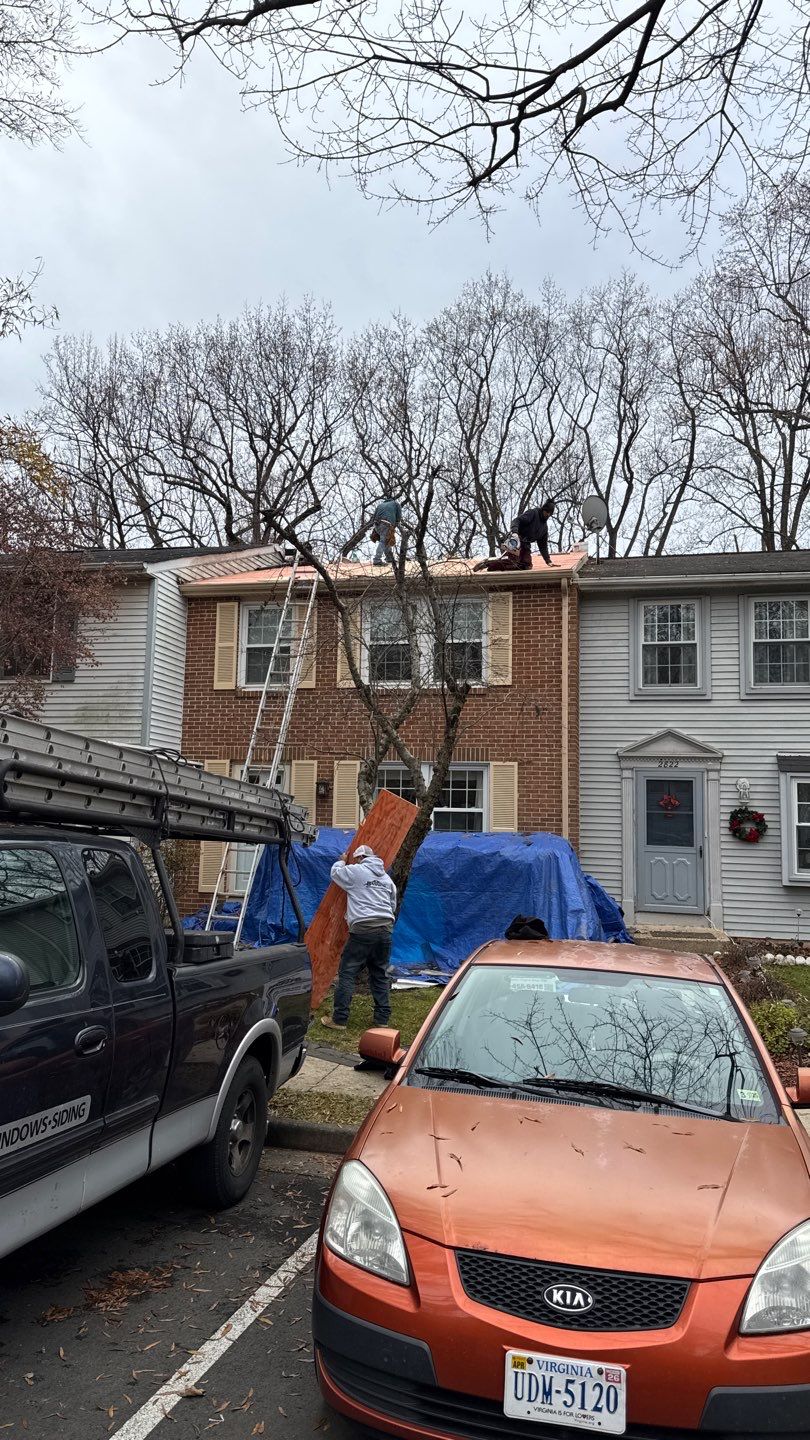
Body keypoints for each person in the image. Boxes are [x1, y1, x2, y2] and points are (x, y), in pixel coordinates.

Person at [321, 844, 397, 1030]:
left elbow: (336, 873)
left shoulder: (356, 871)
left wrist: (341, 860)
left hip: (363, 930)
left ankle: (339, 1019)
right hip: (385, 930)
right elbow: (392, 905)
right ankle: (382, 1019)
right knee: (380, 974)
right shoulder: (387, 879)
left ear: (358, 858)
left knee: (347, 972)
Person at [342, 497, 403, 565]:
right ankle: (377, 560)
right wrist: (395, 524)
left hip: (377, 525)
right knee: (383, 541)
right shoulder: (396, 504)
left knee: (385, 540)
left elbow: (374, 517)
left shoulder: (380, 505)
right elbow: (399, 517)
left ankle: (389, 558)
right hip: (386, 524)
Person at [514, 499, 557, 568]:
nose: (548, 514)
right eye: (547, 512)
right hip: (515, 541)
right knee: (510, 562)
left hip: (525, 546)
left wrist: (548, 561)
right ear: (543, 509)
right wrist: (514, 532)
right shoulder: (533, 513)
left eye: (550, 513)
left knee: (526, 565)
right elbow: (517, 520)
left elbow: (543, 546)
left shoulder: (544, 528)